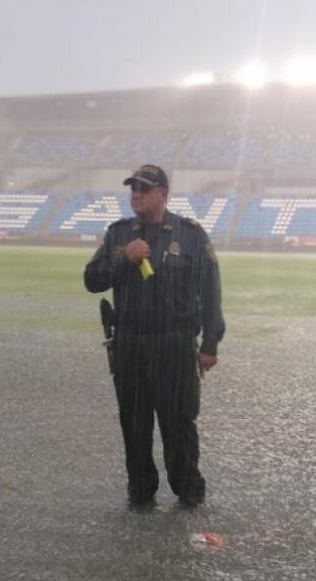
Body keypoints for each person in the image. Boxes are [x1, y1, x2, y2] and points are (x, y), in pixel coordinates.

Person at [84, 164, 225, 508]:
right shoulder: (118, 235)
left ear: (163, 194)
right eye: (133, 188)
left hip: (174, 343)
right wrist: (123, 260)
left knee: (178, 422)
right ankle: (141, 489)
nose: (136, 195)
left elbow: (211, 293)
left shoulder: (191, 234)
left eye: (144, 189)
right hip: (130, 343)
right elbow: (92, 280)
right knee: (134, 424)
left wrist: (209, 344)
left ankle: (188, 489)